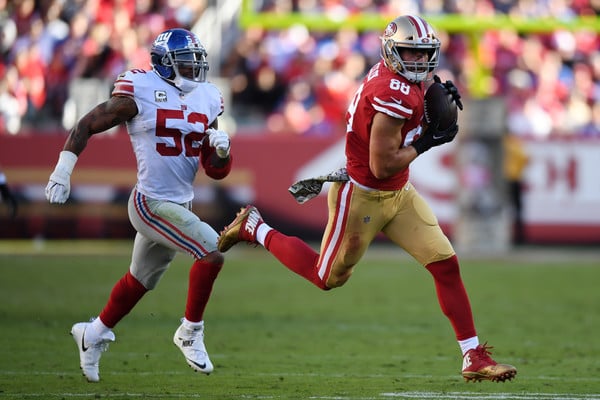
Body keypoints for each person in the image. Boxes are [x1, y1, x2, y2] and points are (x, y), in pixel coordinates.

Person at [217, 15, 517, 383]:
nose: (420, 63)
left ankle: (473, 355)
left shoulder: (402, 82)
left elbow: (397, 147)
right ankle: (255, 228)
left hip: (399, 194)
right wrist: (429, 139)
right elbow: (382, 165)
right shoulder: (393, 92)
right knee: (325, 278)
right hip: (362, 196)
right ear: (392, 52)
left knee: (445, 265)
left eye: (424, 55)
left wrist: (427, 117)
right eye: (411, 53)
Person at [45, 28, 232, 383]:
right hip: (150, 202)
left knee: (139, 280)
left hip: (181, 204)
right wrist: (63, 169)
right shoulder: (140, 89)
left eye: (197, 63)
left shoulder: (207, 97)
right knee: (211, 249)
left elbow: (215, 170)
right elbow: (88, 123)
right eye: (187, 63)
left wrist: (222, 152)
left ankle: (93, 333)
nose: (195, 70)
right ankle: (190, 331)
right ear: (165, 64)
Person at [503, 132, 530, 245]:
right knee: (518, 209)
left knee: (504, 209)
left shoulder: (503, 144)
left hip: (505, 180)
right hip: (515, 178)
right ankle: (519, 237)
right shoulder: (516, 144)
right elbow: (525, 158)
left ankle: (506, 235)